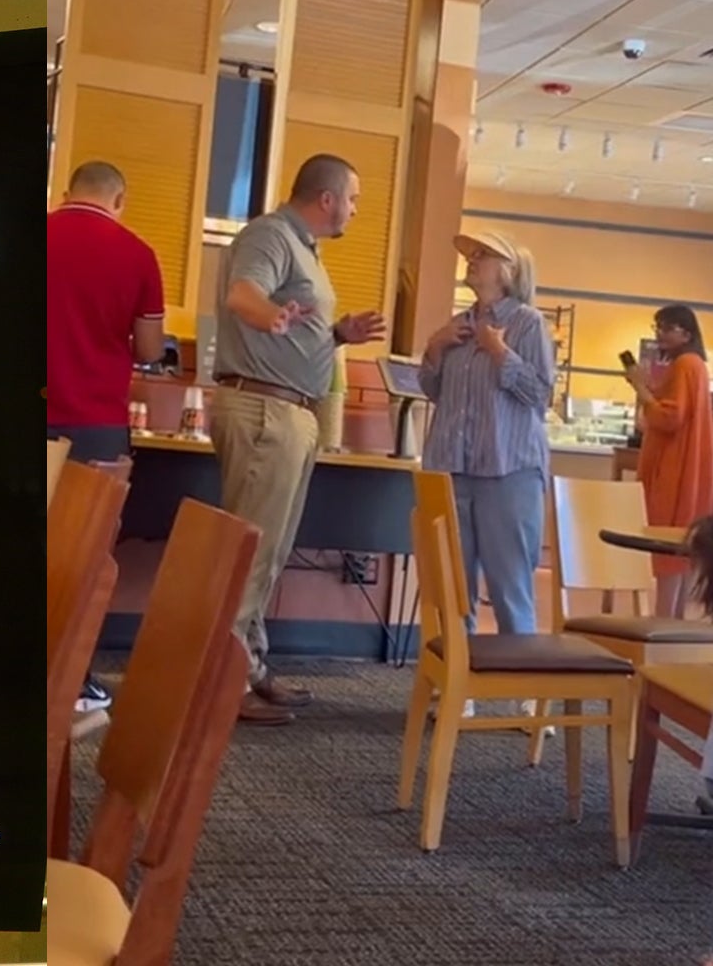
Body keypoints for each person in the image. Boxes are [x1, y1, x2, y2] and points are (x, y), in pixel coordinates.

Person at [208, 153, 387, 726]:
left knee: (272, 554)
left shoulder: (304, 248)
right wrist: (270, 317)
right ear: (327, 198)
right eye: (353, 199)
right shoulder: (271, 234)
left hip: (289, 411)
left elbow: (285, 319)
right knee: (251, 554)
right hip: (265, 410)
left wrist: (337, 334)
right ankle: (223, 685)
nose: (355, 210)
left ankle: (250, 667)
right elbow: (243, 295)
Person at [45, 159, 166, 712]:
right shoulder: (139, 255)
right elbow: (147, 348)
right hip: (96, 424)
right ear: (120, 200)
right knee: (85, 558)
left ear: (69, 191)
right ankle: (73, 678)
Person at [418, 231, 555, 638]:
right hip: (451, 470)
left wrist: (500, 352)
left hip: (507, 471)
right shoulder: (457, 325)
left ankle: (515, 691)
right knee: (452, 588)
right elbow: (433, 390)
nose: (472, 261)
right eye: (471, 255)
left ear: (508, 272)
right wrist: (435, 348)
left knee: (509, 587)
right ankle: (458, 689)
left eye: (483, 255)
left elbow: (540, 394)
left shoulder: (528, 323)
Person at [627, 303, 713, 617]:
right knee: (681, 553)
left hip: (675, 470)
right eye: (658, 327)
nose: (660, 334)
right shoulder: (696, 366)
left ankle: (663, 623)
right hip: (687, 467)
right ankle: (672, 624)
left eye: (666, 328)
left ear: (686, 333)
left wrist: (640, 388)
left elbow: (669, 416)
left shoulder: (685, 365)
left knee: (667, 547)